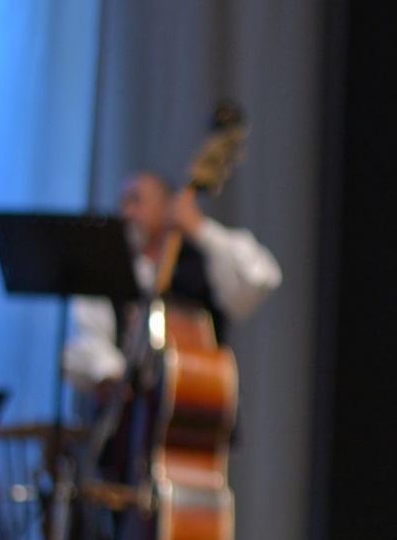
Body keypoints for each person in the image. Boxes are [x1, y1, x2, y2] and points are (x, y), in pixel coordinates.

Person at [62, 137, 282, 394]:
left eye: (136, 201)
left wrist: (201, 229)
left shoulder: (203, 260)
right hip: (131, 413)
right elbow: (87, 339)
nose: (126, 213)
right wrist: (116, 376)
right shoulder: (110, 269)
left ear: (167, 206)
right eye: (122, 203)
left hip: (200, 404)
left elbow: (258, 280)